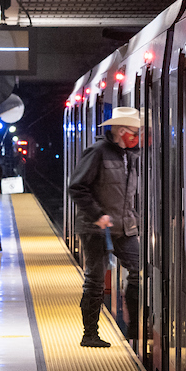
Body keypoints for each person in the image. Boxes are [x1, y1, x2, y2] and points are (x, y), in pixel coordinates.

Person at [68, 107, 142, 348]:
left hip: (124, 226)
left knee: (140, 270)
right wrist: (98, 214)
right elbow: (77, 187)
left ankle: (135, 328)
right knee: (95, 280)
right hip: (95, 228)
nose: (137, 136)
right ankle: (90, 334)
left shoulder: (131, 154)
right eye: (134, 132)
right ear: (121, 131)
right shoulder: (98, 152)